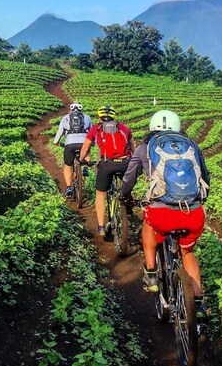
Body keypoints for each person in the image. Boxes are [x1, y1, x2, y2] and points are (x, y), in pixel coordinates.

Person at [121, 109, 211, 323]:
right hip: (193, 213)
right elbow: (205, 177)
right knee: (187, 252)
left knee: (148, 228)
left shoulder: (145, 148)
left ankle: (151, 274)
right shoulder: (192, 146)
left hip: (162, 213)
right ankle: (197, 304)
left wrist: (124, 195)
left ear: (152, 127)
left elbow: (130, 177)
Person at [78, 105, 136, 237]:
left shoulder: (96, 128)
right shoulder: (124, 128)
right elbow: (133, 146)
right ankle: (127, 201)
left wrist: (82, 159)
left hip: (107, 164)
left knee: (100, 194)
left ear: (99, 117)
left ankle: (100, 226)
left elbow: (85, 146)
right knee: (126, 184)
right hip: (125, 163)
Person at [53, 102, 93, 198]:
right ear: (81, 109)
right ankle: (85, 168)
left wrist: (56, 142)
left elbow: (60, 133)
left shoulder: (65, 118)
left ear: (70, 109)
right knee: (87, 150)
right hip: (83, 143)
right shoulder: (87, 117)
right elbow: (91, 132)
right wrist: (93, 143)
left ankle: (68, 188)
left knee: (68, 166)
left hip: (70, 144)